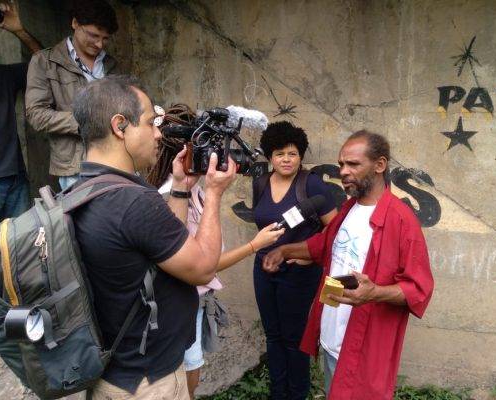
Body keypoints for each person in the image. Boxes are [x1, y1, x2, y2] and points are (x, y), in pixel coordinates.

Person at [71, 75, 236, 400]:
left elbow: (161, 249)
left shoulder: (86, 189)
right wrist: (215, 193)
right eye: (150, 123)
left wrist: (180, 188)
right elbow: (204, 268)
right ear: (120, 126)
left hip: (116, 373)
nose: (159, 133)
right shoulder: (133, 202)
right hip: (149, 383)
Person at [263, 130, 434, 400]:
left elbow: (419, 289)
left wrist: (375, 292)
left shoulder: (402, 220)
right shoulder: (349, 208)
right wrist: (284, 250)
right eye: (341, 164)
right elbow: (324, 245)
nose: (343, 171)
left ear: (379, 165)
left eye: (353, 164)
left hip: (362, 350)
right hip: (332, 338)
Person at [146, 104, 285, 397]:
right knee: (185, 378)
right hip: (178, 306)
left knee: (192, 371)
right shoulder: (171, 198)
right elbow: (200, 265)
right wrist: (254, 245)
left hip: (192, 303)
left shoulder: (191, 188)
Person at [253, 121, 337, 400]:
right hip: (264, 268)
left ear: (301, 155)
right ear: (270, 157)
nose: (286, 159)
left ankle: (297, 394)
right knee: (273, 335)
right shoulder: (260, 183)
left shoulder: (311, 184)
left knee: (294, 338)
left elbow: (334, 228)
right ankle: (278, 393)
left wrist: (308, 256)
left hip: (299, 272)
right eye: (279, 154)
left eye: (292, 153)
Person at [25, 0, 119, 191]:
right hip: (75, 167)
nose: (99, 44)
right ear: (75, 23)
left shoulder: (111, 64)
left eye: (105, 38)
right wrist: (83, 122)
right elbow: (36, 114)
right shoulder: (44, 61)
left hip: (115, 160)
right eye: (93, 35)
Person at [0, 0, 41, 222]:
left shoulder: (4, 75)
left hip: (15, 178)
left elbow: (45, 63)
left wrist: (19, 30)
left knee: (22, 243)